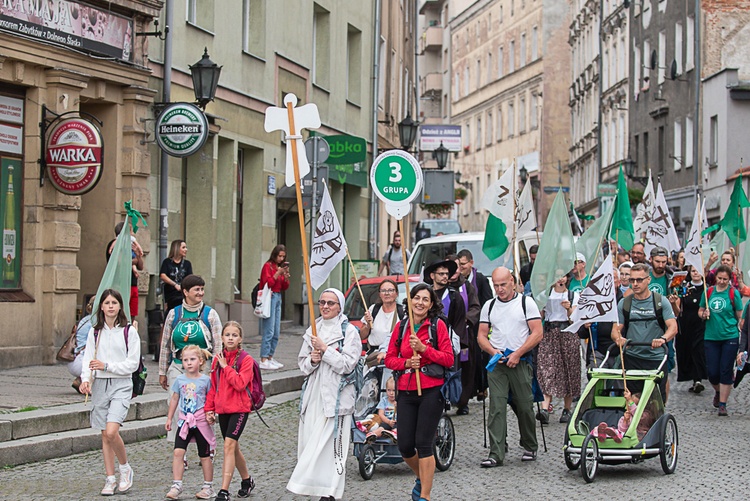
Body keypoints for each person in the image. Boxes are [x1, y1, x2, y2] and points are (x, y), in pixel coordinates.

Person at [287, 288, 361, 501]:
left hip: (337, 398)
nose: (326, 307)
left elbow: (347, 364)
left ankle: (330, 492)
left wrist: (326, 350)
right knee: (312, 443)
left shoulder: (349, 332)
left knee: (332, 448)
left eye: (331, 303)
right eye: (322, 303)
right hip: (314, 396)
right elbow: (303, 364)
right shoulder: (314, 328)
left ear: (339, 306)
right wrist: (312, 359)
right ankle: (314, 488)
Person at [384, 283, 454, 501]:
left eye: (425, 299)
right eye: (417, 298)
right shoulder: (402, 327)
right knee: (405, 445)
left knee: (423, 443)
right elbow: (389, 359)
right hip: (406, 390)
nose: (420, 303)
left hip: (432, 390)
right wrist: (406, 363)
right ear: (410, 300)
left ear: (431, 304)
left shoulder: (437, 326)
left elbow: (449, 359)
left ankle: (424, 496)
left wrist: (425, 350)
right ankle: (422, 478)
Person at [477, 267, 542, 467]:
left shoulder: (526, 303)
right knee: (496, 406)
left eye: (503, 284)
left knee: (524, 406)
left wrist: (518, 353)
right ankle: (496, 452)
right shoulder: (489, 306)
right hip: (498, 363)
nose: (499, 289)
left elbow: (537, 332)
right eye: (496, 285)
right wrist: (492, 350)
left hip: (520, 361)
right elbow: (481, 335)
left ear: (512, 281)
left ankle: (529, 443)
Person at [79, 289, 141, 496]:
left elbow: (132, 364)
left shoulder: (129, 332)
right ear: (102, 307)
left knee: (112, 430)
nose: (111, 306)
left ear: (120, 306)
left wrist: (107, 366)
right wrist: (85, 380)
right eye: (107, 303)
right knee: (105, 435)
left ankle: (125, 468)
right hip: (99, 385)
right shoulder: (95, 332)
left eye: (115, 302)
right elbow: (88, 358)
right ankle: (110, 478)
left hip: (121, 384)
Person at [159, 274, 223, 441]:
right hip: (178, 367)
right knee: (175, 405)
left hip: (204, 369)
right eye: (197, 289)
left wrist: (215, 370)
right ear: (186, 292)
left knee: (204, 407)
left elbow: (218, 345)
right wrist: (162, 371)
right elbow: (166, 343)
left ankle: (208, 444)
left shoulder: (210, 314)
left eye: (202, 289)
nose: (201, 293)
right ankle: (180, 448)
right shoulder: (174, 314)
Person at [205, 321, 256, 501]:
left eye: (234, 335)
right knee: (233, 448)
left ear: (240, 338)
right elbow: (213, 387)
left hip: (240, 408)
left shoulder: (246, 360)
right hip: (223, 409)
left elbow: (241, 384)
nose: (231, 338)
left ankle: (224, 491)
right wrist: (209, 409)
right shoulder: (217, 359)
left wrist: (226, 367)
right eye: (227, 335)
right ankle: (246, 480)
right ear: (222, 337)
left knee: (228, 445)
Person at [612, 263, 678, 401]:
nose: (635, 284)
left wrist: (663, 339)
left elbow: (673, 327)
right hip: (632, 357)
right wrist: (619, 339)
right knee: (633, 400)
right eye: (632, 280)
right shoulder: (624, 303)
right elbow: (615, 330)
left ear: (648, 280)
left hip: (655, 358)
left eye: (639, 280)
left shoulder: (661, 302)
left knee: (655, 400)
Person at [165, 345, 216, 500]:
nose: (188, 363)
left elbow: (211, 399)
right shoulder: (180, 380)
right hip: (184, 421)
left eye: (192, 359)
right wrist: (169, 418)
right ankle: (176, 484)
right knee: (178, 452)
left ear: (200, 361)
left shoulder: (206, 380)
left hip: (201, 422)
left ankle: (208, 486)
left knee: (204, 455)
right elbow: (175, 398)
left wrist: (211, 414)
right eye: (185, 360)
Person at [698, 265, 742, 416]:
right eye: (720, 278)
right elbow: (700, 310)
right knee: (712, 372)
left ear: (729, 280)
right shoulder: (708, 291)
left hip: (730, 336)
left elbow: (739, 314)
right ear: (715, 277)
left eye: (725, 279)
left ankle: (722, 404)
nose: (722, 281)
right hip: (711, 336)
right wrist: (704, 314)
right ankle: (718, 391)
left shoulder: (733, 293)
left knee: (725, 370)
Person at [537, 273, 579, 424]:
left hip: (567, 333)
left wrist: (568, 309)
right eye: (557, 276)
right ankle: (545, 408)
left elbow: (574, 318)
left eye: (563, 276)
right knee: (547, 369)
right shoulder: (545, 294)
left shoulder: (573, 295)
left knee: (569, 370)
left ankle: (567, 409)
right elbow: (539, 316)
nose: (560, 279)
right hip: (549, 333)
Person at [446, 254, 482, 415]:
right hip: (443, 333)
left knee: (466, 368)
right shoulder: (441, 287)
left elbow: (475, 307)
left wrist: (465, 319)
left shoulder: (466, 286)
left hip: (464, 335)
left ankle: (463, 400)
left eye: (456, 267)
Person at [457, 249, 494, 404]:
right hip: (462, 328)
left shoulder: (479, 279)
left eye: (463, 264)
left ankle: (481, 386)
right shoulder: (456, 281)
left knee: (480, 359)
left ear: (471, 263)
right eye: (459, 264)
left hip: (477, 325)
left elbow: (487, 301)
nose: (461, 267)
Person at [675, 266, 707, 394]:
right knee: (687, 350)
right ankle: (692, 378)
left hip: (701, 325)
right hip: (686, 323)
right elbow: (680, 304)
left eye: (698, 270)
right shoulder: (684, 287)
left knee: (698, 350)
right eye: (693, 270)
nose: (696, 273)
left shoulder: (706, 288)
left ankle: (698, 379)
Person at [259, 245, 291, 370]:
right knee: (269, 330)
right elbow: (268, 283)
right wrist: (277, 273)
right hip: (269, 297)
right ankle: (263, 358)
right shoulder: (268, 266)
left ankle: (270, 357)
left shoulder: (279, 267)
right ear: (275, 255)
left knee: (276, 331)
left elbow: (284, 287)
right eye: (280, 256)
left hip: (278, 297)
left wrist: (286, 276)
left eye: (283, 256)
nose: (281, 259)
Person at [359, 279, 405, 364]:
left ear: (396, 294)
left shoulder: (403, 311)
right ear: (379, 294)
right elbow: (361, 336)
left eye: (390, 290)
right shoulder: (373, 309)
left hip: (394, 356)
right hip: (373, 358)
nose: (387, 293)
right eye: (383, 290)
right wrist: (368, 325)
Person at [106, 222, 144, 317]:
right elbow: (120, 262)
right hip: (119, 284)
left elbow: (141, 266)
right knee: (121, 312)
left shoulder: (131, 245)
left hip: (132, 283)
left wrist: (137, 255)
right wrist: (133, 261)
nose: (133, 234)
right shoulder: (115, 244)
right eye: (131, 232)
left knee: (132, 314)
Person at [68, 296, 96, 393]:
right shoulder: (95, 322)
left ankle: (80, 380)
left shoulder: (85, 320)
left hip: (74, 359)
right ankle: (87, 384)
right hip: (83, 362)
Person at [160, 240, 193, 314]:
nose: (186, 250)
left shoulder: (187, 264)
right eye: (183, 247)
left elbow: (190, 278)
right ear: (177, 248)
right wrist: (175, 284)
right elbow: (163, 275)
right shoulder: (167, 262)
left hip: (183, 293)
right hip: (171, 293)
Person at [367, 376, 398, 441]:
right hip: (386, 421)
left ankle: (394, 433)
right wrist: (388, 422)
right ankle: (373, 434)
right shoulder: (384, 400)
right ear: (386, 390)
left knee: (399, 427)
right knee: (381, 428)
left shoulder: (401, 401)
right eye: (389, 390)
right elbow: (381, 414)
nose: (391, 393)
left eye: (394, 390)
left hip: (397, 422)